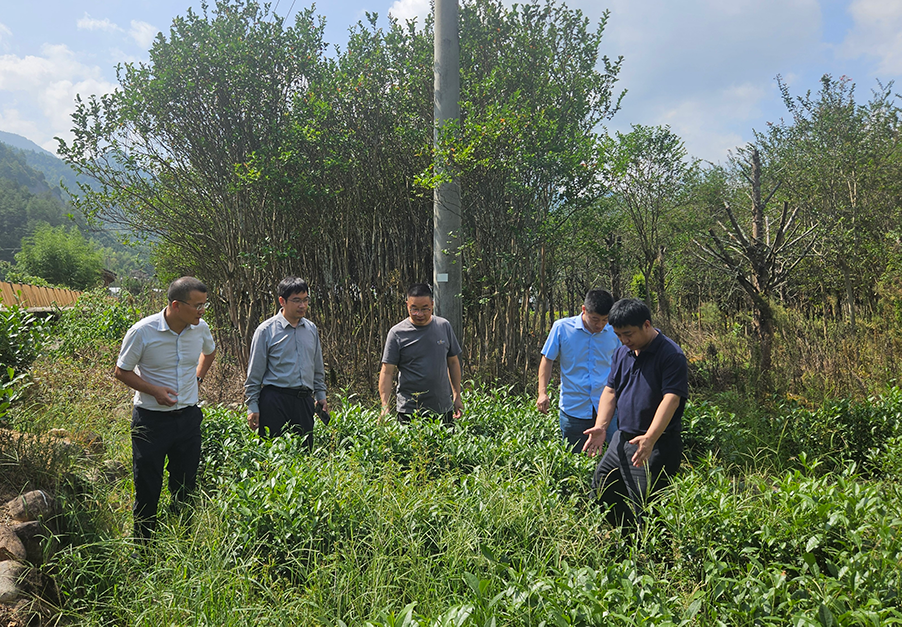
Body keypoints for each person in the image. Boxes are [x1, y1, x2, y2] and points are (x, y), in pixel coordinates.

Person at [115, 276, 217, 542]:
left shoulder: (200, 328)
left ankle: (181, 541)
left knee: (185, 484)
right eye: (197, 305)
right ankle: (144, 547)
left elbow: (210, 352)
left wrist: (198, 378)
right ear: (176, 305)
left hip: (188, 418)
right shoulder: (143, 331)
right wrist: (155, 391)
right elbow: (121, 371)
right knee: (148, 486)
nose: (202, 311)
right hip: (151, 421)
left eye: (204, 305)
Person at [582, 298, 688, 527]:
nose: (624, 340)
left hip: (656, 445)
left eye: (628, 334)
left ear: (646, 325)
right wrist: (601, 426)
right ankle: (629, 540)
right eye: (619, 335)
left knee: (649, 508)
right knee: (602, 491)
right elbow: (610, 391)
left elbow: (671, 399)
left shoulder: (671, 355)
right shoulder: (622, 353)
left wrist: (650, 438)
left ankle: (652, 548)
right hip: (622, 439)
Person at [245, 277, 328, 448]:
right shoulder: (266, 331)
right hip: (274, 401)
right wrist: (252, 406)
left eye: (305, 300)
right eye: (296, 300)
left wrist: (320, 395)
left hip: (304, 401)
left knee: (305, 454)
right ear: (282, 301)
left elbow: (317, 367)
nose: (302, 305)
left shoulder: (311, 329)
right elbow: (254, 374)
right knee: (272, 452)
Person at [537, 289, 621, 452]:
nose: (600, 325)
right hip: (574, 408)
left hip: (608, 407)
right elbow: (547, 359)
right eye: (595, 319)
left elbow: (623, 362)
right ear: (584, 310)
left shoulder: (614, 331)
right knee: (574, 457)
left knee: (616, 454)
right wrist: (542, 392)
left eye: (605, 320)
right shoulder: (562, 328)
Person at [379, 283, 463, 425]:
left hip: (442, 408)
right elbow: (387, 372)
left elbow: (453, 363)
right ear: (407, 305)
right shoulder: (397, 333)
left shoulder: (444, 326)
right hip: (410, 411)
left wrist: (457, 395)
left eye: (425, 309)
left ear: (432, 304)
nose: (420, 314)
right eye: (414, 309)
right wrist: (384, 406)